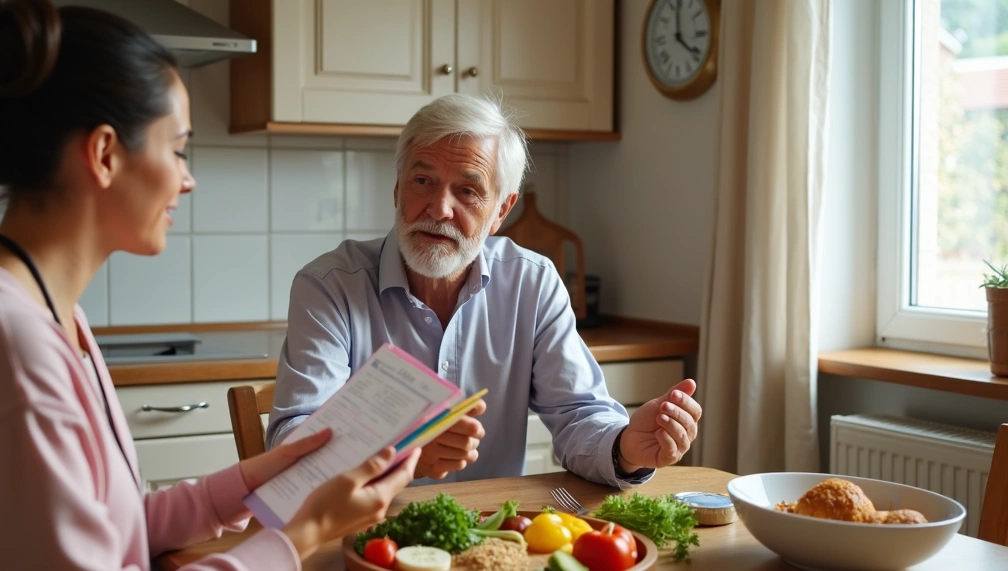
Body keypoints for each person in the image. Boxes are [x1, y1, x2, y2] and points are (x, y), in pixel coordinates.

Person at [0, 1, 418, 571]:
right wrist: (303, 535)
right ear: (105, 154)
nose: (188, 178)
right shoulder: (7, 350)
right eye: (177, 148)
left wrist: (254, 484)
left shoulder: (33, 310)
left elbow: (102, 533)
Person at [267, 94, 703, 488]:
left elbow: (578, 415)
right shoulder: (328, 287)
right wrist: (402, 457)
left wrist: (626, 447)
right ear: (398, 189)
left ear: (501, 210)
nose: (439, 208)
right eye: (423, 181)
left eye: (468, 190)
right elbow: (293, 445)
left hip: (489, 540)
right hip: (357, 534)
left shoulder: (533, 283)